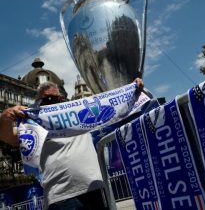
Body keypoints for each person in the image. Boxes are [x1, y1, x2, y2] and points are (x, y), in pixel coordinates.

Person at [0, 78, 144, 210]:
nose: (53, 102)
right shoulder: (33, 126)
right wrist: (5, 117)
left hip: (94, 188)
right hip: (61, 197)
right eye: (47, 100)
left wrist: (132, 89)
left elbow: (117, 109)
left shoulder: (81, 115)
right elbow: (6, 136)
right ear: (37, 103)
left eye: (57, 98)